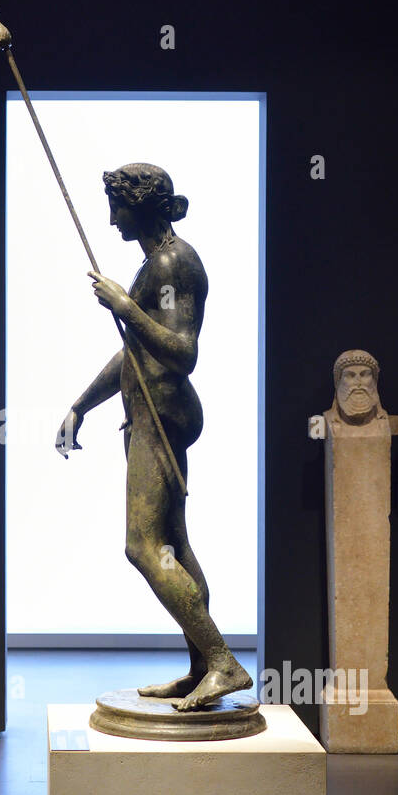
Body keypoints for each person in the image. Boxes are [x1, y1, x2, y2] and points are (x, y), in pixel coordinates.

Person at [55, 162, 252, 711]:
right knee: (173, 546)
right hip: (149, 414)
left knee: (142, 547)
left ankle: (222, 661)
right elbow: (134, 355)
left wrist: (123, 305)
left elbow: (182, 352)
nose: (112, 217)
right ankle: (201, 668)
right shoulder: (158, 261)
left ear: (141, 206)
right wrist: (82, 404)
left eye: (118, 205)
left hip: (163, 417)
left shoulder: (173, 262)